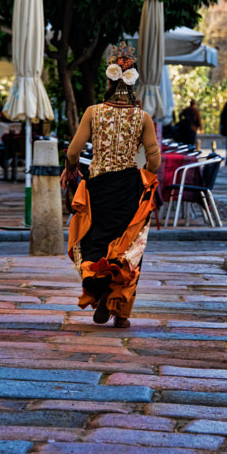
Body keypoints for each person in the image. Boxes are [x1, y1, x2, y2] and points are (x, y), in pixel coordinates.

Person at [62, 43, 160, 330]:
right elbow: (154, 160)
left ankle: (99, 288)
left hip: (98, 187)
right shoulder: (143, 118)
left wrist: (71, 169)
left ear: (109, 79)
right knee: (129, 248)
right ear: (133, 82)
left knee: (94, 242)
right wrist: (142, 175)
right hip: (129, 188)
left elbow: (72, 152)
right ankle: (122, 313)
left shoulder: (93, 112)